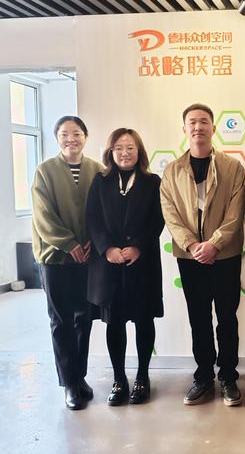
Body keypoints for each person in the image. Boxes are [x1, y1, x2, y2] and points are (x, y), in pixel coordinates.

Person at [160, 103, 245, 407]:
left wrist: (214, 244)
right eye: (192, 122)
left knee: (227, 318)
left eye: (204, 121)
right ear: (184, 129)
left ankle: (229, 376)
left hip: (225, 256)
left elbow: (236, 213)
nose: (198, 127)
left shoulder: (232, 168)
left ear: (213, 127)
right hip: (190, 257)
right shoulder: (172, 171)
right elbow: (170, 214)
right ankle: (203, 376)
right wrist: (193, 245)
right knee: (198, 318)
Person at [86, 128, 164, 406]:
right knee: (114, 323)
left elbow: (158, 219)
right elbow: (92, 219)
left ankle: (143, 377)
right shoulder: (100, 181)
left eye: (130, 147)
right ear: (111, 152)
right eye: (119, 148)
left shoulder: (152, 182)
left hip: (142, 263)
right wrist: (107, 248)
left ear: (139, 151)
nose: (124, 153)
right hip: (109, 265)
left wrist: (138, 246)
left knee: (144, 320)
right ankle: (119, 379)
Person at [31, 116, 103, 410]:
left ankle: (80, 376)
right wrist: (70, 244)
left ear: (86, 136)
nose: (71, 139)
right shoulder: (45, 171)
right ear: (56, 138)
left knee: (84, 319)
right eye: (64, 134)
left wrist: (92, 242)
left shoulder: (97, 170)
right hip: (56, 258)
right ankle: (69, 384)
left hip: (88, 257)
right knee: (61, 320)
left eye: (76, 133)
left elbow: (103, 211)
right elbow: (43, 215)